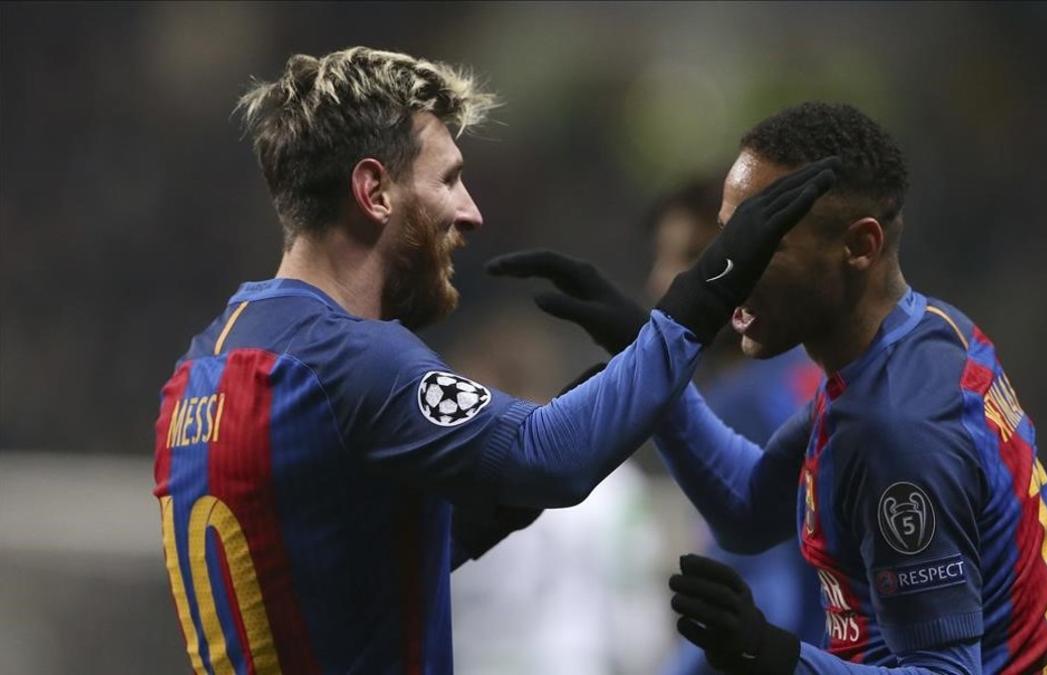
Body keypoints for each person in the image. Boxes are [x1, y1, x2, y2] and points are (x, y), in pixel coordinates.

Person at [151, 47, 837, 673]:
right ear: (374, 191)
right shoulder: (348, 357)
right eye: (448, 178)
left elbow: (346, 568)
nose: (470, 211)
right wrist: (711, 281)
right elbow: (552, 458)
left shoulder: (203, 365)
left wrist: (509, 492)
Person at [490, 102, 1047, 674]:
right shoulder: (913, 340)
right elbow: (749, 509)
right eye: (730, 237)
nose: (730, 269)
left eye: (763, 242)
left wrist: (772, 655)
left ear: (860, 246)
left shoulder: (898, 426)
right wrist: (645, 355)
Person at [645, 178, 825, 675]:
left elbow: (759, 602)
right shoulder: (812, 375)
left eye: (687, 258)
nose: (662, 283)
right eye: (661, 258)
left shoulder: (741, 401)